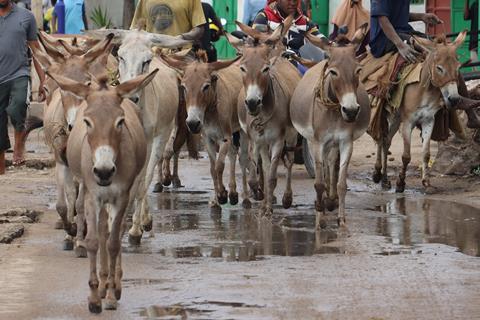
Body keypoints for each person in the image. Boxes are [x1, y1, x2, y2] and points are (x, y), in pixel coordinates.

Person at [0, 0, 45, 174]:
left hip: (19, 73)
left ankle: (19, 144)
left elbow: (36, 50)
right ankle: (2, 167)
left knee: (18, 105)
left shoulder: (26, 17)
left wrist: (43, 80)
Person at [369, 0, 442, 62]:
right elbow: (383, 20)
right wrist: (401, 46)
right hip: (383, 39)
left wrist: (421, 16)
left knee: (435, 43)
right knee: (424, 49)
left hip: (405, 32)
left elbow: (399, 16)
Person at [252, 0, 324, 55]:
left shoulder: (304, 21)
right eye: (288, 0)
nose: (292, 3)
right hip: (274, 67)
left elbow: (320, 38)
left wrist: (331, 45)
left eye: (295, 0)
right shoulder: (264, 17)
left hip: (300, 65)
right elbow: (257, 45)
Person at [131, 0, 206, 40]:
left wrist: (181, 38)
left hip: (181, 52)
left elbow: (199, 28)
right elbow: (137, 29)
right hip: (150, 53)